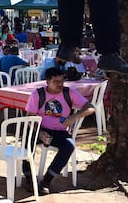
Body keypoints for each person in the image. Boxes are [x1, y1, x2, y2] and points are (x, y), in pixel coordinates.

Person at [23, 67, 95, 195]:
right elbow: (30, 116)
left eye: (62, 81)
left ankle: (47, 180)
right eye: (56, 81)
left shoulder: (69, 93)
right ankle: (29, 177)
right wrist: (39, 132)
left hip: (60, 131)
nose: (60, 84)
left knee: (69, 146)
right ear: (47, 82)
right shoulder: (38, 94)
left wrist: (75, 116)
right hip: (40, 128)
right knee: (27, 143)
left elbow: (90, 107)